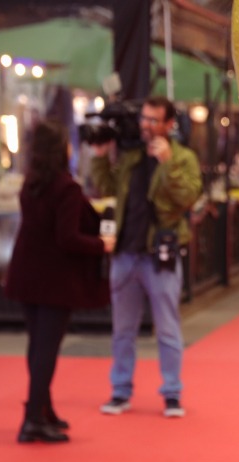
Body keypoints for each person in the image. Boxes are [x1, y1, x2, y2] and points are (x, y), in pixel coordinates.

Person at [90, 96, 201, 418]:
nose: (146, 125)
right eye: (144, 119)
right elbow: (106, 186)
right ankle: (120, 391)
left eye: (154, 120)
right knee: (122, 330)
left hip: (159, 255)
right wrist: (99, 158)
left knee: (167, 330)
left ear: (169, 124)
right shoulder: (130, 155)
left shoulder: (183, 157)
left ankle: (171, 393)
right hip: (126, 254)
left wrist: (167, 164)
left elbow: (188, 196)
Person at [4, 120, 112, 443]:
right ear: (60, 149)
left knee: (37, 346)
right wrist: (102, 245)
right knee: (46, 350)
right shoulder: (66, 187)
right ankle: (32, 419)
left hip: (27, 275)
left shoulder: (31, 183)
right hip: (53, 281)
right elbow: (68, 239)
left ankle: (43, 408)